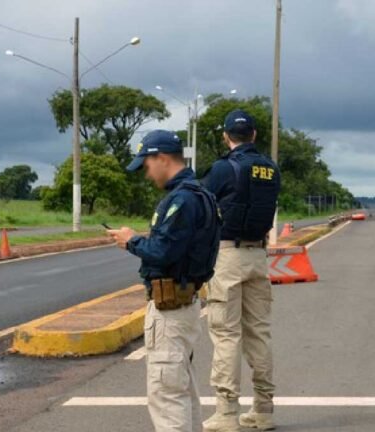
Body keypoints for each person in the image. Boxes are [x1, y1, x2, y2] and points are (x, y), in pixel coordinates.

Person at [107, 130, 220, 432]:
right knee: (182, 391)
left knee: (167, 397)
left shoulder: (181, 200)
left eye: (147, 164)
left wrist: (131, 241)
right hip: (187, 304)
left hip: (170, 310)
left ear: (163, 158)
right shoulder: (202, 194)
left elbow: (163, 251)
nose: (146, 172)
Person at [201, 110, 281, 431]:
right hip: (259, 256)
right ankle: (263, 409)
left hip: (228, 256)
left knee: (226, 333)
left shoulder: (223, 168)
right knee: (259, 332)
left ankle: (226, 412)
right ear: (255, 134)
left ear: (226, 136)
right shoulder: (271, 169)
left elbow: (202, 204)